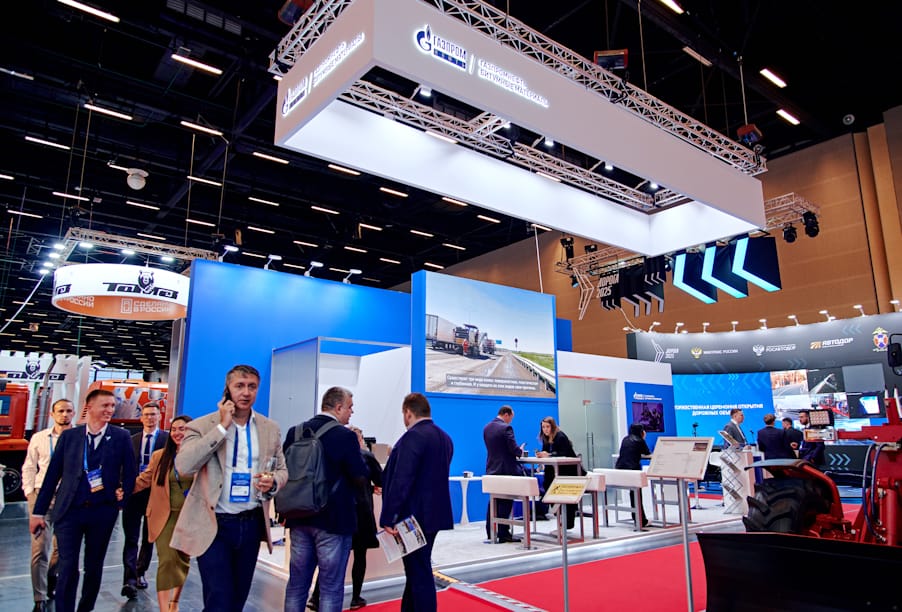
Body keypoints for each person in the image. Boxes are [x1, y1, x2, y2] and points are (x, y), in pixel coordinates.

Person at [171, 364, 288, 612]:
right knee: (219, 599)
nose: (246, 392)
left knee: (237, 599)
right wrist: (222, 427)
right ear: (228, 390)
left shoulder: (270, 428)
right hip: (215, 524)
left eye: (252, 387)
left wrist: (273, 482)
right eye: (239, 386)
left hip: (251, 523)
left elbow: (282, 470)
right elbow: (184, 465)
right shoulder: (202, 426)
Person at [29, 389, 137, 612]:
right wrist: (38, 512)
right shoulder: (70, 437)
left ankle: (85, 608)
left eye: (112, 405)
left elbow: (129, 473)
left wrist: (122, 497)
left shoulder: (121, 437)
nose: (110, 410)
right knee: (67, 566)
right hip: (69, 511)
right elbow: (52, 476)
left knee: (94, 566)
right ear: (89, 407)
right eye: (105, 405)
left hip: (102, 512)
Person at [282, 387, 368, 612]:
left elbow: (284, 471)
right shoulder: (345, 436)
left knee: (297, 585)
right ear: (338, 407)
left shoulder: (294, 432)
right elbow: (360, 476)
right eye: (349, 407)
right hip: (334, 521)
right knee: (331, 588)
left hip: (298, 517)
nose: (351, 412)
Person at [380, 393, 454, 612]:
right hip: (434, 514)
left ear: (408, 412)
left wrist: (389, 516)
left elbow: (402, 479)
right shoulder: (444, 438)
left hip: (412, 517)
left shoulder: (412, 437)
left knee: (419, 573)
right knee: (416, 570)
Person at [308, 425, 383, 611]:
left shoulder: (332, 456)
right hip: (362, 513)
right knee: (359, 556)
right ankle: (356, 597)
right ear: (360, 440)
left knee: (330, 558)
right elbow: (380, 479)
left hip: (338, 512)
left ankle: (316, 597)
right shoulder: (366, 456)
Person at [133, 415, 193, 612]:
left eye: (182, 429)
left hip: (189, 518)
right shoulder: (160, 456)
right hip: (163, 517)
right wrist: (122, 489)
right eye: (174, 429)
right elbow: (144, 479)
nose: (177, 433)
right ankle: (164, 608)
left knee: (182, 561)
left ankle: (174, 602)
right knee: (166, 560)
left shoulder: (199, 456)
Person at [22, 398, 75, 612]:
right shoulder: (39, 438)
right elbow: (29, 466)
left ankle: (51, 577)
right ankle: (39, 598)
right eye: (60, 411)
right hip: (41, 496)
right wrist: (29, 493)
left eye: (68, 411)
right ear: (52, 414)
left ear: (73, 414)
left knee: (62, 549)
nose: (64, 414)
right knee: (39, 549)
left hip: (68, 499)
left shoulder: (79, 438)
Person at [122, 401, 169, 599]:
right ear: (141, 418)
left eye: (153, 414)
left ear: (159, 416)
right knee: (131, 538)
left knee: (149, 537)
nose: (150, 418)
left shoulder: (167, 440)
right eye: (146, 414)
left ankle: (140, 572)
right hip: (133, 494)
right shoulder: (131, 439)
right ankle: (129, 579)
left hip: (155, 494)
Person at [483, 405, 525, 543]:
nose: (510, 421)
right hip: (505, 470)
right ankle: (503, 533)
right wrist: (520, 450)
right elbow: (513, 449)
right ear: (506, 414)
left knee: (493, 501)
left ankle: (491, 532)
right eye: (511, 418)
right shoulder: (506, 428)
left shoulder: (487, 428)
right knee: (506, 501)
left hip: (492, 469)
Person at [536, 416, 579, 532]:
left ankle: (566, 522)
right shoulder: (546, 438)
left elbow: (563, 453)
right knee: (547, 486)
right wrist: (542, 455)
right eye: (543, 427)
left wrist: (548, 455)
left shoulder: (560, 436)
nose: (545, 429)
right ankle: (559, 518)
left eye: (547, 427)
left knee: (563, 494)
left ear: (553, 427)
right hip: (552, 470)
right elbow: (547, 452)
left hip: (568, 471)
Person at [615, 423, 651, 528]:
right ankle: (641, 520)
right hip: (633, 472)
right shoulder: (639, 440)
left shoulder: (625, 439)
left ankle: (637, 517)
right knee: (637, 494)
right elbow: (647, 453)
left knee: (633, 494)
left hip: (620, 471)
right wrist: (643, 438)